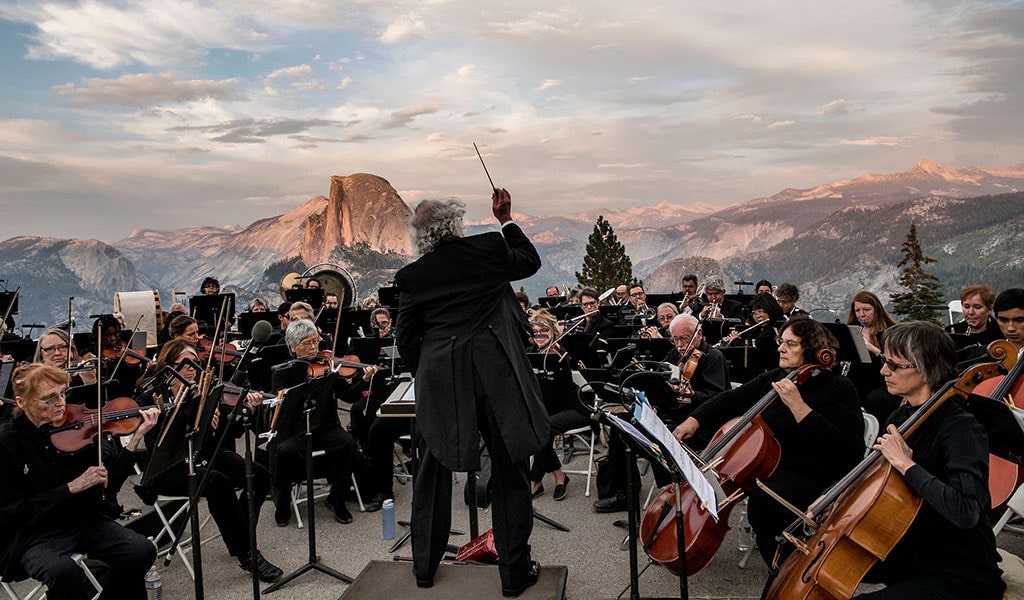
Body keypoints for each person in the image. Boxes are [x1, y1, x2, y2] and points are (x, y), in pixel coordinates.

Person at [395, 189, 548, 597]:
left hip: (441, 376)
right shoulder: (488, 248)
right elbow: (530, 261)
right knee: (510, 469)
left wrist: (427, 374)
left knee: (429, 471)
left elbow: (407, 337)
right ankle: (514, 573)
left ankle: (425, 569)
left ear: (420, 237)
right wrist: (506, 219)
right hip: (495, 372)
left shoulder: (411, 276)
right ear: (456, 223)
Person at [673, 316, 864, 565]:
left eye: (790, 344)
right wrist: (694, 420)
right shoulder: (778, 377)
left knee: (764, 502)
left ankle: (786, 568)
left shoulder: (839, 387)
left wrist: (799, 407)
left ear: (813, 349)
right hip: (771, 465)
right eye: (780, 342)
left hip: (813, 472)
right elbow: (732, 398)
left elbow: (847, 450)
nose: (780, 348)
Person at [854, 321, 1004, 599]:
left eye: (895, 365)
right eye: (885, 361)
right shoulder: (901, 417)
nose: (883, 370)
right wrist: (834, 501)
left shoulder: (962, 428)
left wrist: (907, 465)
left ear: (926, 369)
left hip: (958, 573)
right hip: (908, 554)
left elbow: (965, 511)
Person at [0, 363, 159, 599]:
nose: (60, 404)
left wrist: (135, 440)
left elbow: (109, 487)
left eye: (62, 394)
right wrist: (70, 488)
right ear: (22, 402)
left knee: (141, 550)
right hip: (32, 535)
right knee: (63, 572)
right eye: (49, 399)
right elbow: (12, 511)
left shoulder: (75, 429)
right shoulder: (6, 443)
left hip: (80, 520)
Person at [134, 340, 283, 582]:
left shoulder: (205, 389)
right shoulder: (152, 396)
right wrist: (193, 420)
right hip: (168, 467)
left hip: (203, 455)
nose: (193, 369)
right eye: (185, 364)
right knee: (218, 483)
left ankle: (240, 533)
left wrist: (237, 415)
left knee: (259, 474)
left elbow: (230, 433)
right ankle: (247, 554)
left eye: (196, 363)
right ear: (168, 366)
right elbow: (158, 446)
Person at [593, 313, 729, 512]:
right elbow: (662, 379)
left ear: (699, 334)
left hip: (698, 424)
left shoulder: (713, 358)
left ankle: (673, 491)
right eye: (674, 339)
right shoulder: (675, 354)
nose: (679, 344)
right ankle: (624, 492)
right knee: (620, 425)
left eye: (684, 338)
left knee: (655, 437)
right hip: (670, 414)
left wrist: (693, 394)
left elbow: (718, 398)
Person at [267, 319, 364, 526]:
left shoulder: (327, 366)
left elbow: (348, 395)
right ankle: (283, 502)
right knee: (284, 452)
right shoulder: (282, 372)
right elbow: (282, 409)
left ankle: (336, 498)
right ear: (293, 348)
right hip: (296, 429)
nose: (314, 348)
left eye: (315, 342)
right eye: (307, 344)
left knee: (348, 445)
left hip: (325, 426)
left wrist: (362, 380)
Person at [526, 310, 588, 501]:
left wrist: (560, 365)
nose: (539, 336)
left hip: (574, 408)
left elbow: (566, 391)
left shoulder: (561, 355)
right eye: (535, 332)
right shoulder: (530, 354)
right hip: (549, 411)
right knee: (538, 425)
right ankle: (559, 475)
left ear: (552, 331)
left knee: (542, 427)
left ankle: (535, 480)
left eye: (543, 330)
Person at [846, 291, 895, 356]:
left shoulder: (892, 332)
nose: (861, 314)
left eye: (866, 310)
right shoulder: (850, 332)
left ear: (877, 310)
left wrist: (873, 349)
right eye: (857, 310)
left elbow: (897, 362)